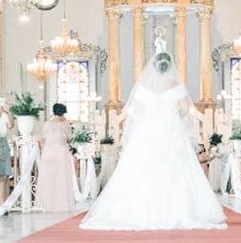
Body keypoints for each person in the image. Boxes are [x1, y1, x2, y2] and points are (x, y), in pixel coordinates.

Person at [81, 47, 226, 230]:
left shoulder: (143, 87)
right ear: (170, 66)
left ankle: (135, 210)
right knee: (175, 169)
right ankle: (179, 209)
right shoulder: (175, 84)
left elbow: (136, 112)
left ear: (154, 67)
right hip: (171, 132)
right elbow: (184, 109)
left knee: (142, 168)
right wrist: (172, 113)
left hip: (146, 133)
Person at [36, 103, 76, 212]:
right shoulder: (66, 124)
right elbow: (69, 139)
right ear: (63, 112)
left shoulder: (47, 124)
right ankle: (63, 204)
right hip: (62, 152)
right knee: (62, 178)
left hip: (48, 152)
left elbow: (42, 138)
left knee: (48, 177)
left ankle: (46, 203)